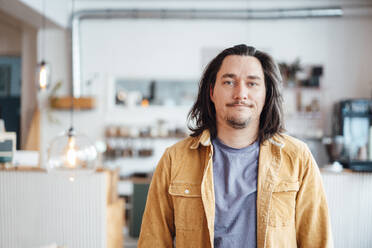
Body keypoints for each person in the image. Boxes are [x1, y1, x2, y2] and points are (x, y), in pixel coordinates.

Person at [138, 44, 333, 248]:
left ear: (266, 94)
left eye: (252, 83)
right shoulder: (175, 159)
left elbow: (317, 241)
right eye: (229, 82)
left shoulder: (297, 157)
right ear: (212, 92)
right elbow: (153, 241)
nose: (241, 94)